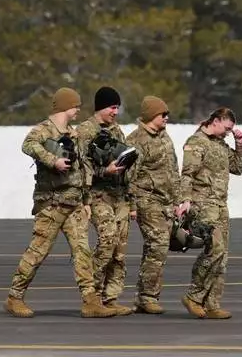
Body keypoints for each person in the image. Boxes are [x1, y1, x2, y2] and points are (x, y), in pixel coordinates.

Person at [5, 87, 120, 319]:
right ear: (66, 106)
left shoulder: (72, 133)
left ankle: (90, 301)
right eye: (75, 106)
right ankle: (14, 297)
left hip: (74, 203)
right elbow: (28, 145)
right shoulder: (44, 129)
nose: (78, 110)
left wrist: (86, 200)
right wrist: (52, 160)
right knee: (38, 251)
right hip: (52, 203)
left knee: (82, 251)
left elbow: (82, 169)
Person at [179, 106, 242, 320]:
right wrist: (185, 200)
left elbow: (237, 168)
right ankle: (194, 296)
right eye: (226, 128)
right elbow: (187, 174)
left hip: (220, 205)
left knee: (222, 255)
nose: (227, 133)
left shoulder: (220, 144)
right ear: (215, 121)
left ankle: (212, 303)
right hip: (203, 205)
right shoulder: (196, 142)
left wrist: (240, 144)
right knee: (214, 249)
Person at [74, 86, 135, 315]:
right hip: (98, 196)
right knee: (107, 240)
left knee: (119, 249)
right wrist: (103, 172)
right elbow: (81, 168)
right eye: (112, 107)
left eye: (117, 108)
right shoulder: (84, 131)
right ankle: (93, 297)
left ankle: (110, 298)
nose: (115, 112)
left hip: (119, 196)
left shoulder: (116, 130)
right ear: (100, 107)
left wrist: (131, 202)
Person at [124, 94, 186, 315]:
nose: (167, 117)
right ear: (151, 115)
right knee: (158, 243)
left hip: (166, 201)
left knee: (157, 248)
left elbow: (173, 170)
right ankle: (147, 297)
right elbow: (129, 176)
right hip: (146, 200)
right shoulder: (136, 141)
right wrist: (132, 205)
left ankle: (145, 296)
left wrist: (178, 200)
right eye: (163, 114)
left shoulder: (164, 137)